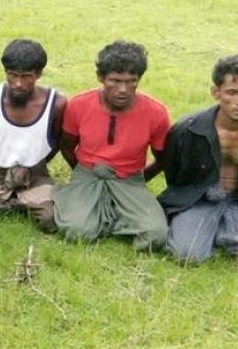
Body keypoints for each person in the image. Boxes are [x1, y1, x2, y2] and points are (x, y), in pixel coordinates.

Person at [53, 41, 170, 251]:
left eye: (131, 81)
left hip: (129, 178)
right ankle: (91, 205)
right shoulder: (78, 105)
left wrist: (139, 179)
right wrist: (82, 172)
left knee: (155, 236)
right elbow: (67, 147)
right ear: (101, 78)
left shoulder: (156, 113)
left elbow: (162, 158)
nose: (123, 89)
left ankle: (108, 214)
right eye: (115, 81)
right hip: (88, 174)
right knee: (77, 231)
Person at [0, 39, 67, 231]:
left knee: (50, 220)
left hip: (35, 173)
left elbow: (57, 140)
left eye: (26, 76)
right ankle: (19, 202)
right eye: (12, 75)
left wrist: (37, 165)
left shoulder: (56, 103)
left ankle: (17, 199)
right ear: (5, 72)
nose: (18, 83)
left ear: (39, 73)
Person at [159, 56, 238, 263]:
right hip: (202, 197)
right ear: (216, 92)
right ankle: (218, 228)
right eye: (232, 93)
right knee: (187, 254)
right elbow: (174, 173)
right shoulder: (188, 129)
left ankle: (225, 229)